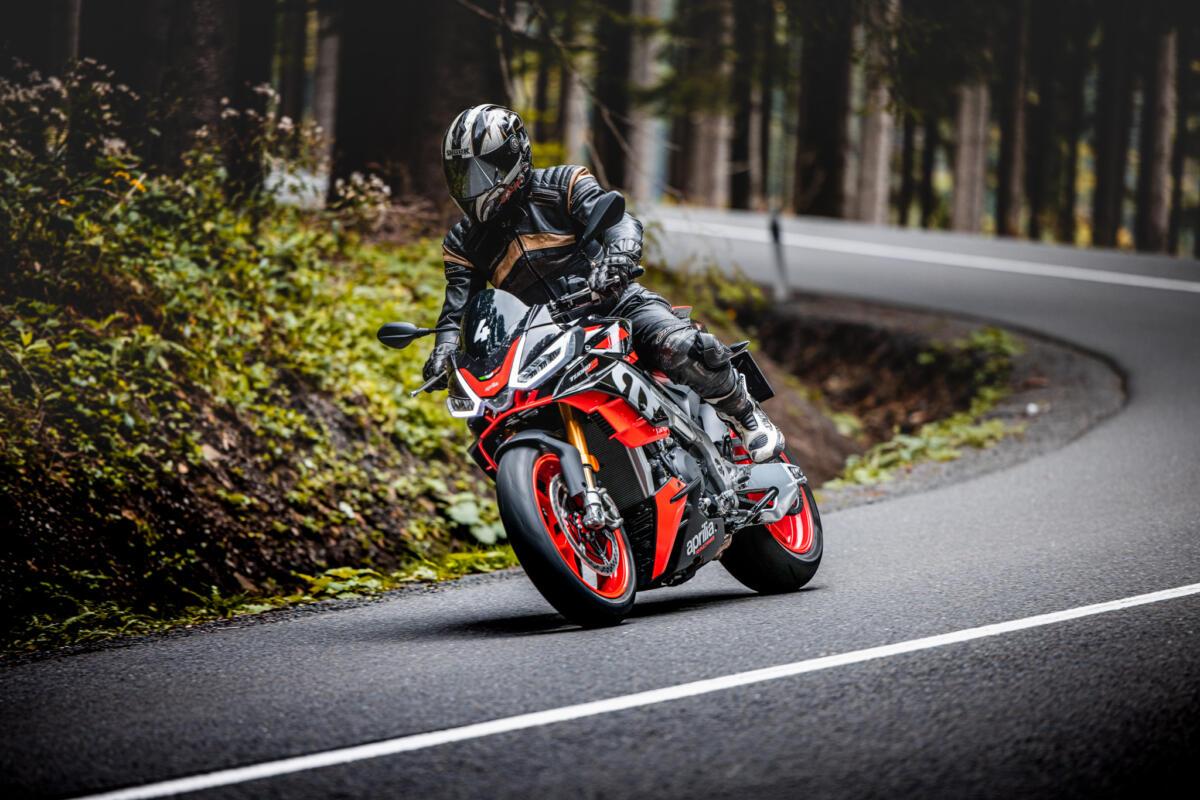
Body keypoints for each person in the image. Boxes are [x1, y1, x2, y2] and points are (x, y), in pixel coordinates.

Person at [426, 104, 784, 463]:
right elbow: (457, 309)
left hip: (614, 305)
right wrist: (444, 350)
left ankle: (745, 414)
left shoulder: (564, 184)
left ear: (512, 158)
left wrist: (619, 257)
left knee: (677, 346)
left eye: (481, 173)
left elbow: (620, 222)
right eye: (462, 175)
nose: (471, 186)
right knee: (490, 417)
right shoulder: (462, 243)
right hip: (539, 339)